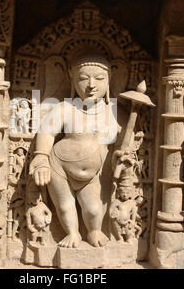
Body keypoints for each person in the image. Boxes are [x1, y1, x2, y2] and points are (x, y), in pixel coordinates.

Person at [29, 51, 120, 248]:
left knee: (94, 209)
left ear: (109, 80)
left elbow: (118, 143)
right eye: (83, 79)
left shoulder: (111, 111)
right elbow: (47, 131)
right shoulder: (65, 108)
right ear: (72, 78)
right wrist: (42, 157)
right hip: (59, 166)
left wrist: (124, 151)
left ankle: (94, 231)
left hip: (93, 173)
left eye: (99, 78)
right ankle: (72, 233)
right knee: (64, 205)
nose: (91, 85)